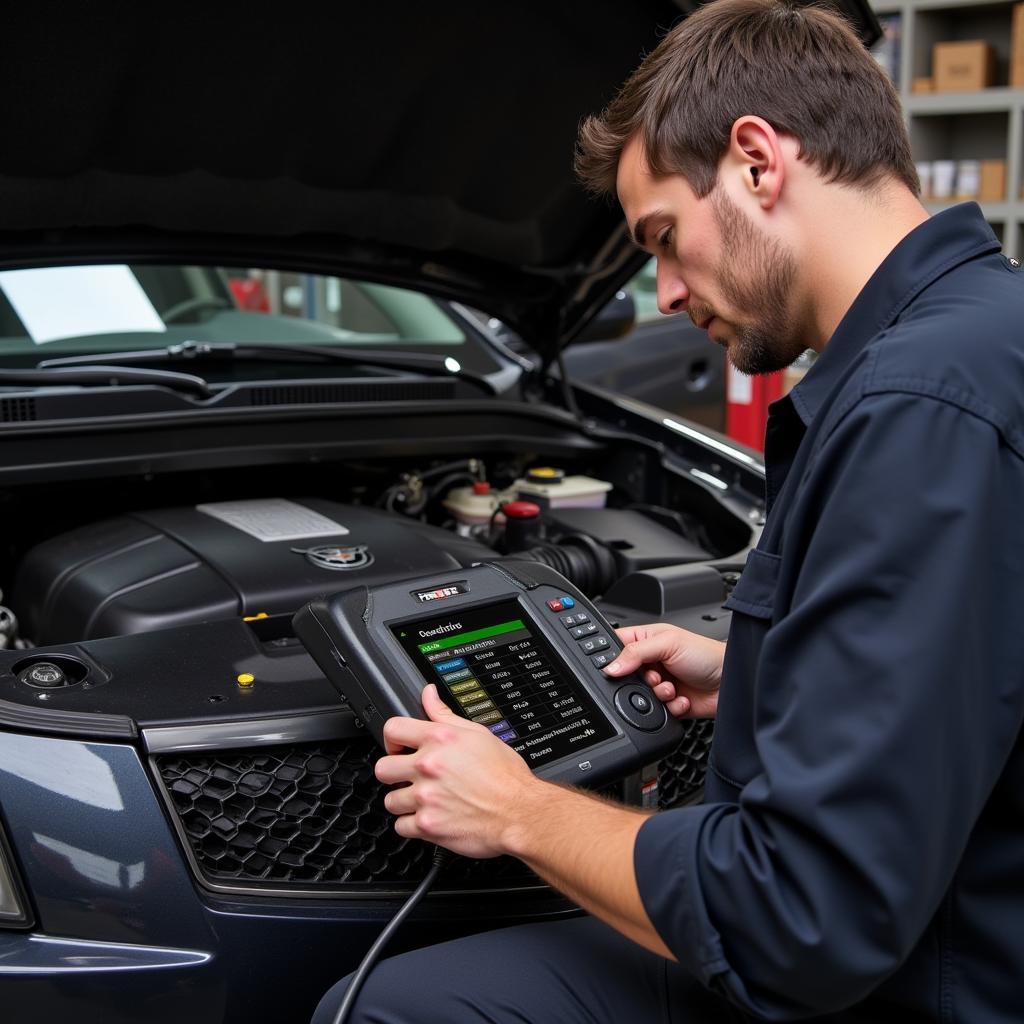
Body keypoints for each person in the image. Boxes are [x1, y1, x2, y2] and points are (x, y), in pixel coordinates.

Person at [313, 0, 1024, 1020]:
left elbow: (796, 921)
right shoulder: (988, 337)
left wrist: (518, 812)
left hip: (919, 982)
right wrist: (759, 668)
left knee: (383, 1006)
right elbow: (977, 660)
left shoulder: (914, 410)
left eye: (662, 237)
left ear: (755, 161)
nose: (666, 293)